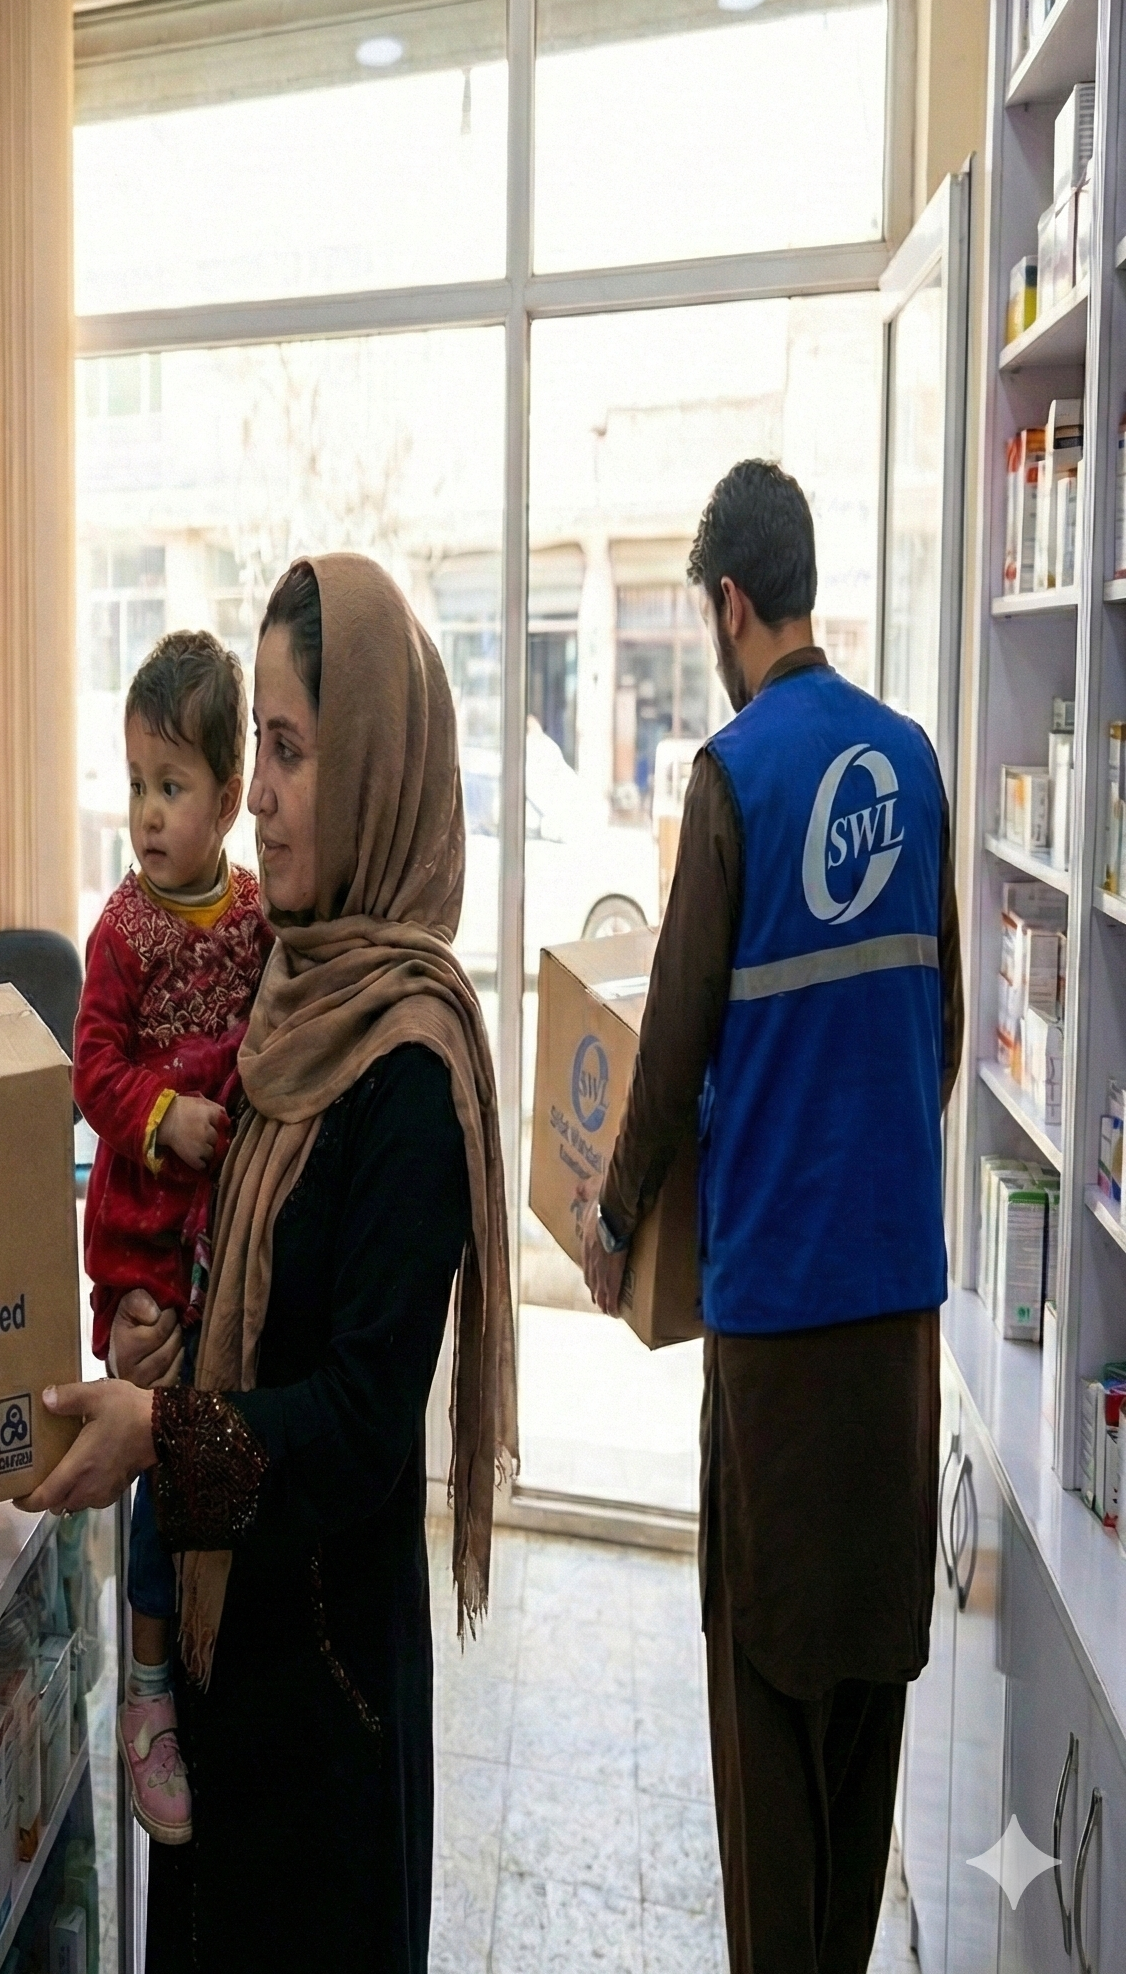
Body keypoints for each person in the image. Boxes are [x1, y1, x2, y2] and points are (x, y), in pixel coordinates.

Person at [21, 555, 517, 1972]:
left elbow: (364, 1427)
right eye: (271, 754)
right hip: (231, 1664)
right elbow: (225, 1251)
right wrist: (163, 1339)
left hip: (323, 1695)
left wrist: (160, 1437)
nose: (270, 795)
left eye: (294, 754)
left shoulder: (407, 1062)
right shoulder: (283, 987)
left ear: (373, 769)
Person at [581, 460, 961, 1974]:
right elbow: (933, 1038)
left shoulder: (737, 777)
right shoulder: (914, 760)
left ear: (732, 603)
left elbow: (669, 1049)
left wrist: (615, 1224)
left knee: (764, 1699)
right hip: (901, 1325)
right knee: (872, 1692)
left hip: (775, 1327)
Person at [72, 630, 271, 1849]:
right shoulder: (120, 930)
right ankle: (144, 1686)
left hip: (224, 1249)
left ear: (229, 798)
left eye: (171, 786)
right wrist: (161, 1116)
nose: (146, 813)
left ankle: (197, 1663)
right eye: (135, 782)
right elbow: (87, 1067)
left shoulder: (254, 919)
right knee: (157, 1460)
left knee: (216, 1450)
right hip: (146, 1246)